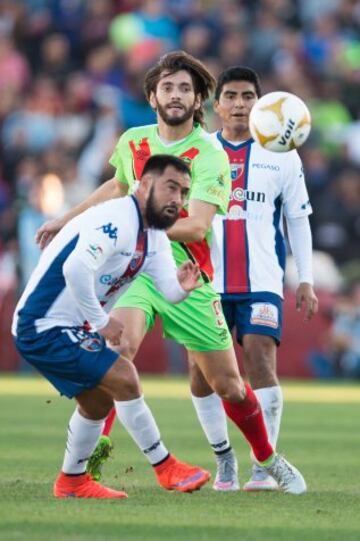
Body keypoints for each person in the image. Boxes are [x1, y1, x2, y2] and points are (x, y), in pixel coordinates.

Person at [35, 51, 307, 494]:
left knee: (230, 385)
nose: (175, 95)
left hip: (187, 272)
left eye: (185, 88)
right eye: (167, 87)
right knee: (115, 356)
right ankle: (82, 471)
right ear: (152, 96)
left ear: (198, 99)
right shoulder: (133, 141)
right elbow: (117, 187)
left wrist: (133, 226)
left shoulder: (209, 153)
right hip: (134, 271)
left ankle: (267, 457)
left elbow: (198, 224)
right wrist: (68, 218)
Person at [13, 154, 211, 499]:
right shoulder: (116, 218)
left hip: (67, 325)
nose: (178, 200)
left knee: (98, 402)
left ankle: (72, 482)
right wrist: (103, 322)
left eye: (183, 192)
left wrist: (182, 287)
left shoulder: (155, 235)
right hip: (41, 323)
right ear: (145, 184)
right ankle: (166, 467)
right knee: (123, 375)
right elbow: (75, 270)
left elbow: (167, 289)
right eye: (170, 188)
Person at [191, 66, 318, 491]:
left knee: (261, 362)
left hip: (262, 278)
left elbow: (298, 219)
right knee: (202, 375)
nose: (240, 104)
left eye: (248, 96)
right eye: (231, 96)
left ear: (261, 103)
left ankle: (262, 469)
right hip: (206, 282)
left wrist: (306, 278)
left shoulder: (283, 153)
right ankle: (223, 459)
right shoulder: (200, 150)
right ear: (217, 104)